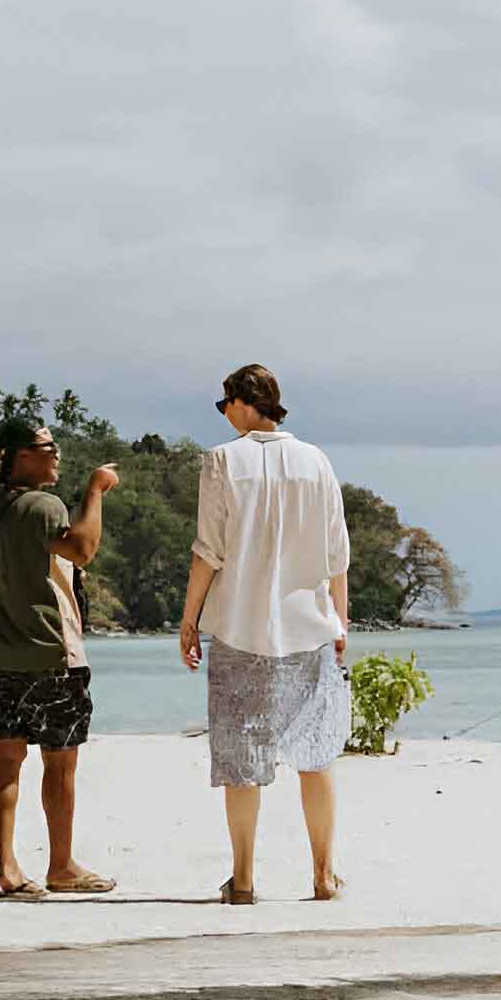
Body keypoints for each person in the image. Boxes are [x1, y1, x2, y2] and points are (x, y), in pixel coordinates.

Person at [174, 365, 355, 905]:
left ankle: (245, 879)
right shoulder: (316, 461)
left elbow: (209, 550)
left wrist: (189, 619)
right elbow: (336, 556)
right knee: (316, 757)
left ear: (242, 401)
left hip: (239, 627)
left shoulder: (222, 461)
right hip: (310, 628)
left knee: (240, 758)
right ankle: (323, 876)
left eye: (223, 403)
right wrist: (341, 623)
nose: (223, 413)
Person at [0, 417, 116, 899]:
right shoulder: (44, 504)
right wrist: (95, 490)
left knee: (6, 760)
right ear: (17, 455)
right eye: (45, 447)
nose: (55, 455)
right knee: (60, 764)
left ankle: (8, 867)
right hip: (52, 651)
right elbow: (84, 548)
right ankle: (61, 865)